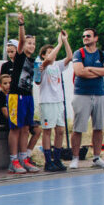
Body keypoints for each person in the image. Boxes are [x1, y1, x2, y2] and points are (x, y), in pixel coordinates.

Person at [71, 28, 104, 169]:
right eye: (84, 36)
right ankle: (75, 158)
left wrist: (90, 69)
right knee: (78, 128)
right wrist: (99, 72)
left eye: (88, 36)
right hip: (82, 94)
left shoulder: (102, 54)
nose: (85, 38)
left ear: (96, 38)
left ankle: (96, 158)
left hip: (100, 94)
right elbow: (79, 72)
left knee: (98, 127)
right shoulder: (79, 53)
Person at [6, 15, 40, 174]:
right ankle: (13, 161)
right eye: (28, 43)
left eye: (33, 43)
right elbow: (21, 40)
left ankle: (23, 158)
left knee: (26, 128)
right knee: (16, 129)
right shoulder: (19, 56)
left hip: (28, 97)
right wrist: (21, 24)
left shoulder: (33, 61)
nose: (31, 45)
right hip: (16, 96)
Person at [37, 32, 73, 172]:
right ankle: (48, 161)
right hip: (47, 101)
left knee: (60, 130)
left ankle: (57, 159)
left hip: (59, 101)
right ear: (43, 55)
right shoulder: (42, 65)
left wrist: (65, 41)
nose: (54, 54)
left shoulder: (57, 65)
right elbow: (48, 60)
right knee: (47, 131)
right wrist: (58, 44)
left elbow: (69, 57)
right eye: (49, 52)